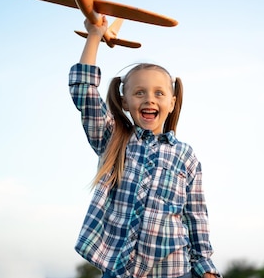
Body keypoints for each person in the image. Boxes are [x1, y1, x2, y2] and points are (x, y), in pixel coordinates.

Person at [69, 15, 221, 278]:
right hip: (120, 270)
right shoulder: (113, 139)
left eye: (159, 93)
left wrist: (205, 267)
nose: (149, 99)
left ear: (172, 102)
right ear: (125, 101)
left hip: (174, 270)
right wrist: (95, 34)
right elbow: (85, 91)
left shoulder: (185, 155)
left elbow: (195, 215)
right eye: (139, 92)